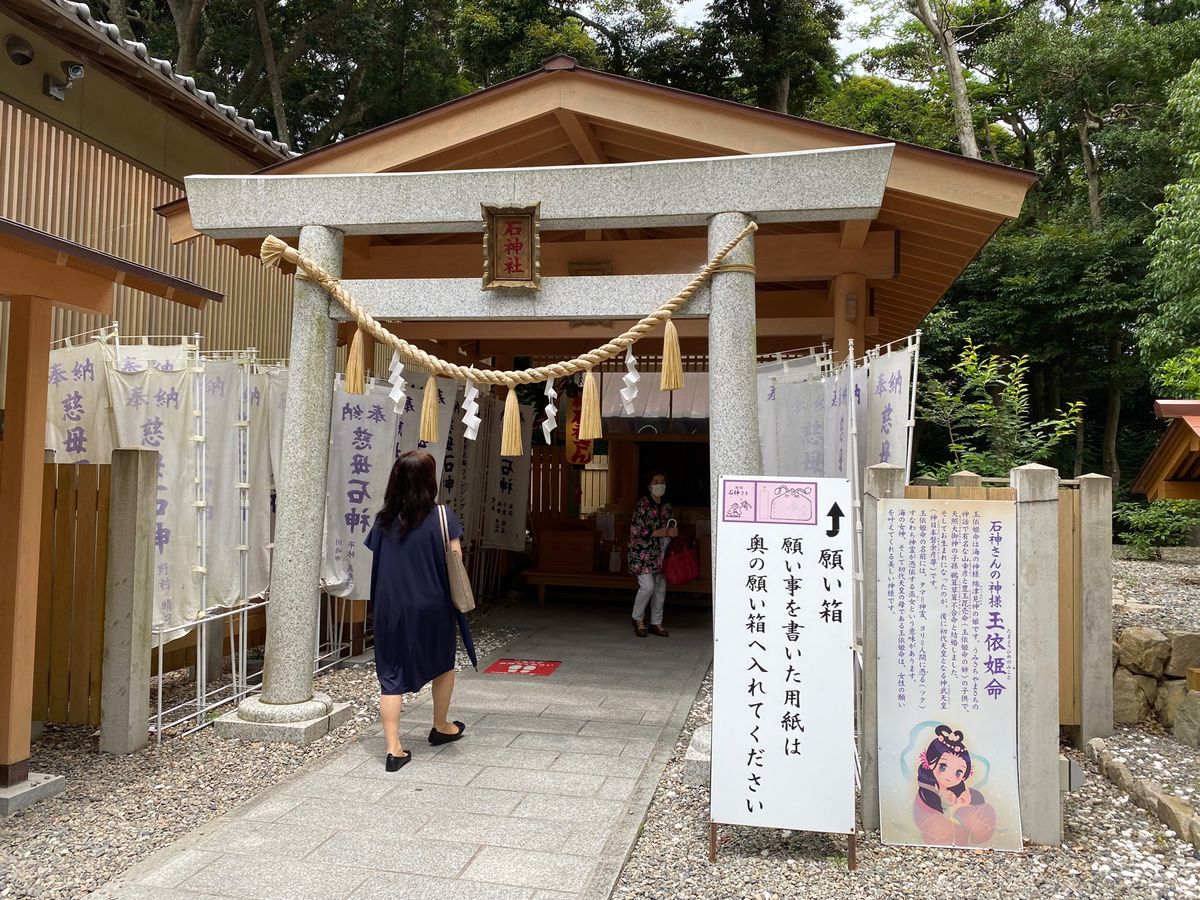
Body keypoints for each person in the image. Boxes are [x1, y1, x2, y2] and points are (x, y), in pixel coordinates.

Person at [365, 450, 477, 771]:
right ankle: (441, 726)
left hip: (390, 608)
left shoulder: (383, 520)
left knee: (391, 677)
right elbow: (455, 559)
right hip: (432, 606)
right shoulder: (442, 516)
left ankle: (393, 749)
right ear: (430, 481)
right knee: (442, 664)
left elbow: (381, 560)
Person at [913, 724, 997, 846]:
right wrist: (952, 809)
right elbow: (926, 821)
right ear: (931, 763)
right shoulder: (926, 791)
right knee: (941, 829)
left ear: (964, 775)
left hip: (962, 840)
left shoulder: (963, 791)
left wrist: (966, 802)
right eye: (943, 767)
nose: (950, 777)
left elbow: (978, 809)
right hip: (938, 837)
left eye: (958, 772)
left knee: (982, 814)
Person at [627, 469, 677, 638]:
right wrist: (660, 532)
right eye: (655, 482)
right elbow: (636, 529)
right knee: (648, 586)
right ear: (649, 486)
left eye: (662, 481)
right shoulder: (642, 504)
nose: (659, 485)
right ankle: (637, 618)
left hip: (662, 553)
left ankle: (656, 622)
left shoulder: (667, 506)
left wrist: (672, 531)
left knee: (660, 589)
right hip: (642, 553)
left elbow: (671, 526)